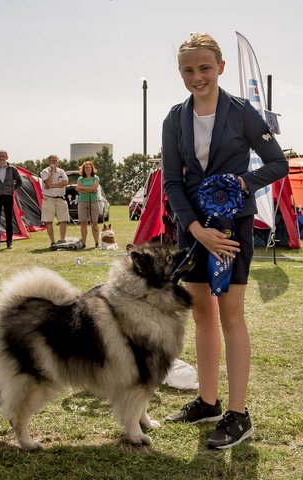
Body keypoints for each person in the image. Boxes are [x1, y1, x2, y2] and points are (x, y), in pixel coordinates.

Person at [162, 33, 288, 449]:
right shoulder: (173, 118)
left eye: (204, 68)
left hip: (233, 229)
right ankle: (209, 402)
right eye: (188, 70)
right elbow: (173, 181)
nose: (197, 77)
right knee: (202, 316)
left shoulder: (244, 113)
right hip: (193, 232)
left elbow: (277, 164)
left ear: (220, 67)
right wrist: (195, 229)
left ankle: (238, 414)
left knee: (231, 317)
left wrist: (240, 183)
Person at [40, 154, 69, 249]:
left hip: (60, 198)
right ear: (49, 162)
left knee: (63, 219)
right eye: (52, 161)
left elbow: (65, 183)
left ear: (58, 161)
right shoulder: (44, 172)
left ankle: (62, 239)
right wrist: (52, 172)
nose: (54, 162)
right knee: (49, 221)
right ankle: (52, 241)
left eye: (55, 160)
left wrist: (52, 186)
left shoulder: (62, 171)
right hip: (49, 199)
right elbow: (47, 182)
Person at [76, 160, 100, 248]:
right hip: (82, 202)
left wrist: (83, 188)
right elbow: (78, 189)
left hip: (93, 201)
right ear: (83, 169)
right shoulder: (80, 179)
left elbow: (94, 188)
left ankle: (97, 242)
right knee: (83, 222)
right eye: (86, 168)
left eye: (89, 167)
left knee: (95, 222)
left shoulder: (96, 178)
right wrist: (90, 189)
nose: (87, 169)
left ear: (92, 168)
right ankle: (84, 242)